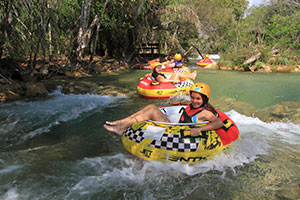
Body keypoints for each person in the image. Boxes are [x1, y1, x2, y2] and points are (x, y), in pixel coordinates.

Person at [104, 82, 225, 137]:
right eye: (192, 97)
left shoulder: (205, 113)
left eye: (198, 99)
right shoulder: (192, 104)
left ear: (205, 99)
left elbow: (219, 122)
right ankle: (121, 123)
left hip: (177, 134)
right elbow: (188, 103)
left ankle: (120, 127)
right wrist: (178, 103)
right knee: (151, 107)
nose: (194, 100)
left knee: (152, 110)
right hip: (174, 128)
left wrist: (200, 129)